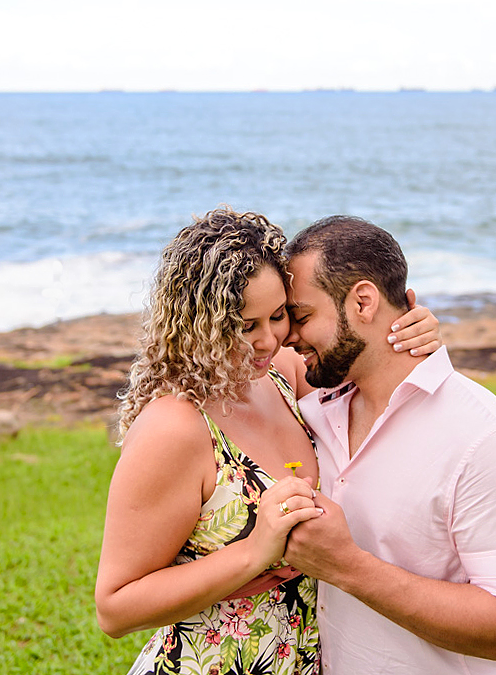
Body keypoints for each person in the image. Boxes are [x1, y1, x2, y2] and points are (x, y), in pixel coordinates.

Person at [94, 208, 442, 675]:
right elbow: (115, 608)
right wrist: (254, 551)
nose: (269, 340)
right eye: (244, 326)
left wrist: (410, 332)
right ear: (200, 324)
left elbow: (376, 390)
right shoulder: (174, 427)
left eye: (278, 316)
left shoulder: (285, 376)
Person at [281, 215, 496, 675]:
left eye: (302, 317)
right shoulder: (315, 410)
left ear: (363, 302)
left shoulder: (486, 440)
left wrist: (348, 566)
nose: (289, 336)